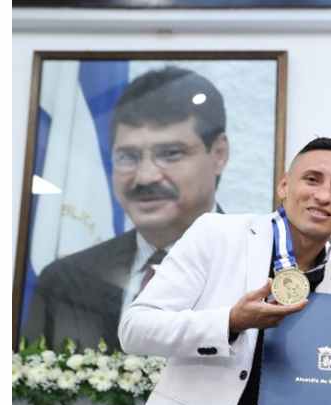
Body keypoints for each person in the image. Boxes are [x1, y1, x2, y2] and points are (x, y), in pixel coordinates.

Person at [115, 137, 331, 405]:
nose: (324, 195)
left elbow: (324, 395)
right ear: (284, 186)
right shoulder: (218, 235)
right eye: (312, 179)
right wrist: (230, 322)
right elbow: (135, 329)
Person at [22, 65, 229, 351]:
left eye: (170, 154)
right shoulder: (63, 281)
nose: (145, 177)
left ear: (218, 154)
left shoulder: (257, 270)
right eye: (127, 157)